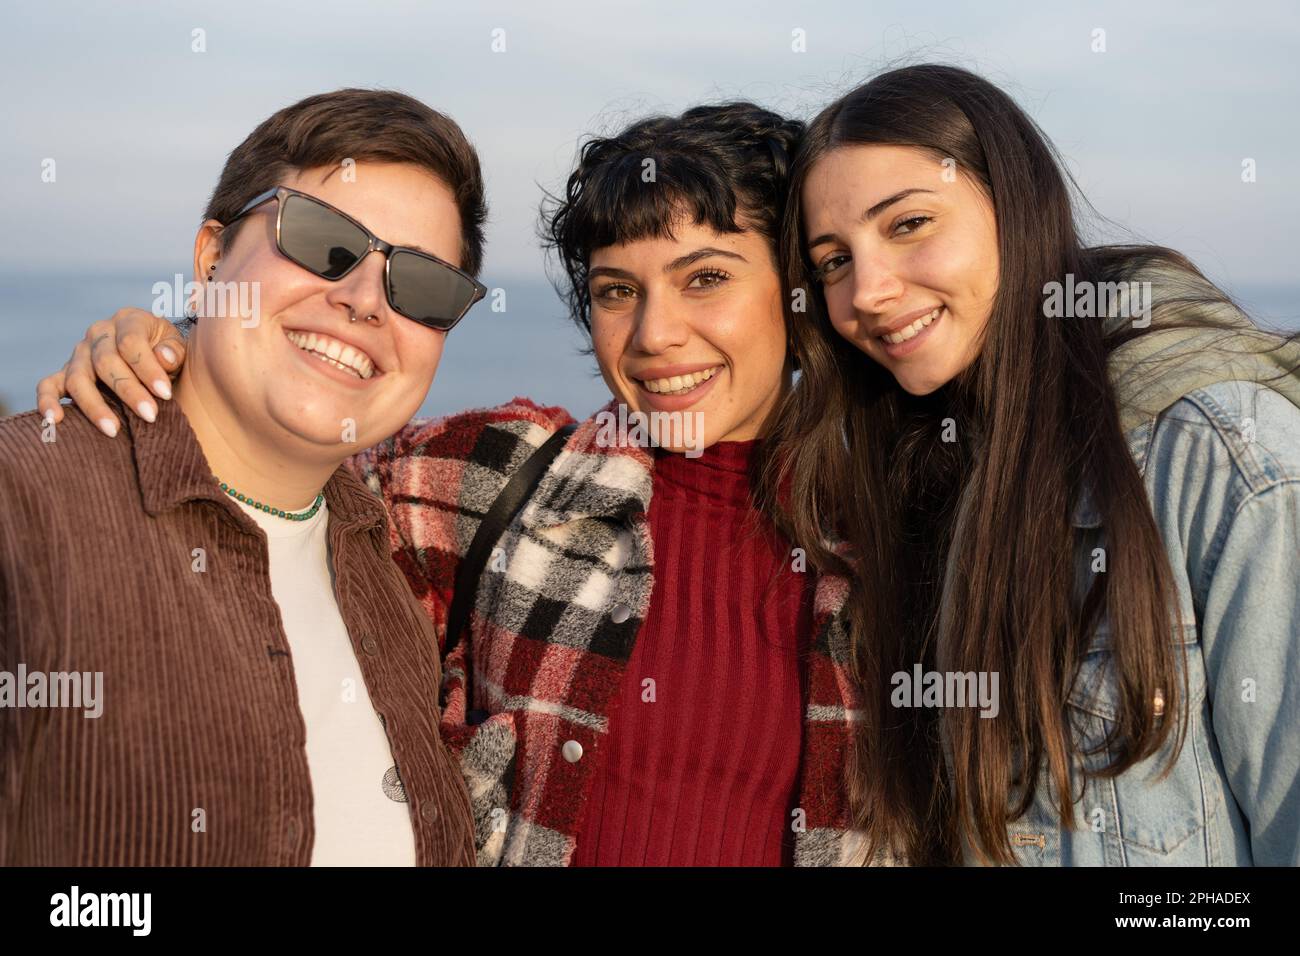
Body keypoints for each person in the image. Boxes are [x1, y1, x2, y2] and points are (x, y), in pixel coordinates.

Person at [37, 103, 874, 866]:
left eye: (707, 278)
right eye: (619, 291)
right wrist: (166, 345)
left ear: (800, 297)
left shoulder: (897, 552)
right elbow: (270, 460)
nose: (656, 334)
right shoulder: (494, 478)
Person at [760, 63, 1300, 865]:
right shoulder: (915, 474)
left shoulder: (1212, 449)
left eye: (908, 225)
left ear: (1015, 205)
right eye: (833, 260)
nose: (867, 291)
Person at [1, 88, 490, 866]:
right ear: (210, 258)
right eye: (322, 239)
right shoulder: (25, 510)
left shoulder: (393, 573)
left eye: (423, 284)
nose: (364, 300)